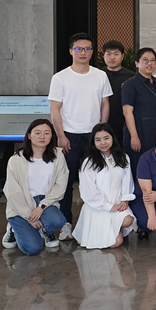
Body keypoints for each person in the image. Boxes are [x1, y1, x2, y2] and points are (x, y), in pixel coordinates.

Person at [48, 32, 113, 240]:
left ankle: (96, 222)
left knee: (97, 180)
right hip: (69, 136)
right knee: (66, 182)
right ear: (70, 51)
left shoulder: (100, 75)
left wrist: (102, 131)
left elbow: (105, 103)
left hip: (94, 137)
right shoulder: (60, 77)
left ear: (92, 52)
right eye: (78, 48)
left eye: (87, 49)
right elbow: (55, 108)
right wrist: (60, 136)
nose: (83, 52)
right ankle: (66, 223)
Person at [2, 119, 68, 254]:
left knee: (57, 221)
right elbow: (12, 192)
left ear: (52, 136)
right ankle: (13, 229)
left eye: (46, 133)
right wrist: (29, 217)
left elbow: (60, 186)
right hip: (22, 203)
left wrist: (41, 207)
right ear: (29, 136)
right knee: (32, 249)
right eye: (37, 133)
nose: (42, 136)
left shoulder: (58, 156)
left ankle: (46, 230)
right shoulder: (16, 159)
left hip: (46, 202)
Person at [73, 123, 136, 249]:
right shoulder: (89, 162)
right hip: (98, 206)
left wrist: (125, 200)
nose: (103, 143)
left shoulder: (123, 157)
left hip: (118, 202)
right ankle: (99, 231)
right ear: (93, 142)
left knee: (128, 220)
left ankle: (112, 228)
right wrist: (109, 206)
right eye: (98, 140)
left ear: (112, 138)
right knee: (116, 243)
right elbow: (88, 191)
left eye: (106, 138)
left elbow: (127, 180)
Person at [121, 47, 156, 173]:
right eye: (145, 60)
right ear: (137, 63)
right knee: (139, 170)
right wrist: (134, 136)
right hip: (139, 133)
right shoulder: (130, 84)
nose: (149, 63)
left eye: (152, 60)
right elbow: (127, 112)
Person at [101, 40, 135, 147]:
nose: (112, 57)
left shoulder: (131, 77)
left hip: (124, 124)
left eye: (116, 54)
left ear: (122, 56)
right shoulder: (98, 75)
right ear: (103, 56)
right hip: (101, 124)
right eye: (108, 54)